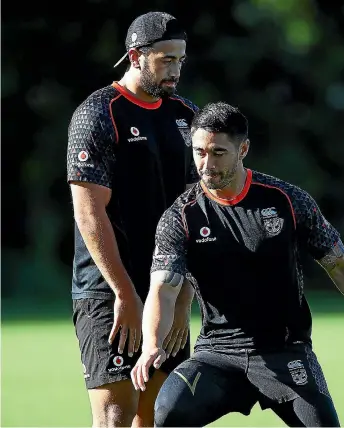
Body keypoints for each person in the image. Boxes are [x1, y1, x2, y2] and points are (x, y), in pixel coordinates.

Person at [131, 102, 344, 427]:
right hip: (217, 353)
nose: (206, 164)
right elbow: (164, 287)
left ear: (243, 148)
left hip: (286, 350)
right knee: (168, 412)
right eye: (199, 152)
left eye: (218, 152)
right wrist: (152, 345)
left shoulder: (287, 200)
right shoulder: (181, 217)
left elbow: (341, 266)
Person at [67, 12, 199, 427]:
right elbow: (89, 213)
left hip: (166, 288)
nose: (175, 70)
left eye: (180, 60)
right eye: (166, 60)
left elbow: (198, 210)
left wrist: (183, 295)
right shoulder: (98, 113)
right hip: (109, 292)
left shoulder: (187, 115)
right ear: (135, 56)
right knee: (115, 417)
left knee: (162, 416)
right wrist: (125, 294)